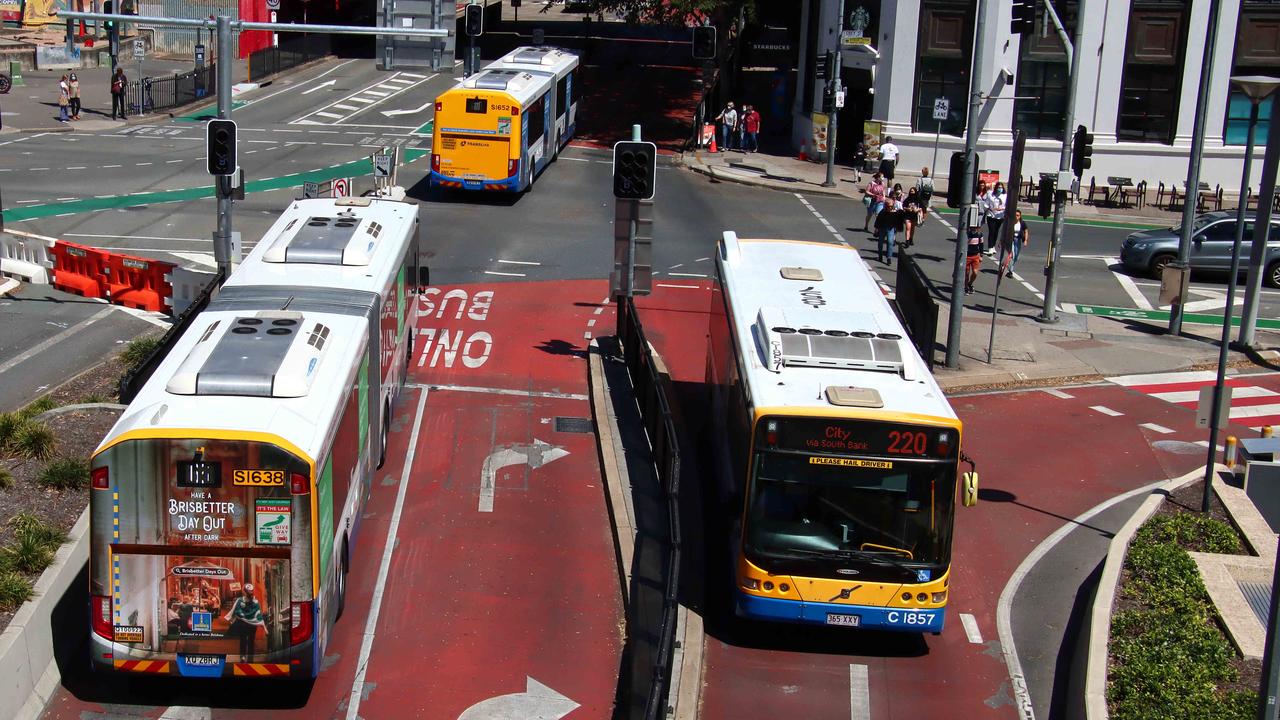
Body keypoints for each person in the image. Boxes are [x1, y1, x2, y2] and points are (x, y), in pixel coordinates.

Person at [225, 583, 265, 659]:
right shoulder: (255, 601)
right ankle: (250, 658)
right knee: (251, 641)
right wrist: (261, 623)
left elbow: (235, 610)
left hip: (243, 625)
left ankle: (242, 657)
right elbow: (258, 613)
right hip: (252, 625)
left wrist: (233, 619)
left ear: (244, 591)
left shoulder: (240, 600)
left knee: (243, 640)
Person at [1003, 209, 1030, 277]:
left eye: (1018, 215)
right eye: (1015, 215)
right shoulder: (1011, 222)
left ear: (1020, 216)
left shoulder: (1022, 223)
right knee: (1012, 255)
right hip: (1011, 240)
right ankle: (1010, 271)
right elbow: (1005, 231)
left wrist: (1026, 240)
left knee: (1016, 257)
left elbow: (1026, 231)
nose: (1016, 217)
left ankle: (1005, 264)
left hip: (1018, 240)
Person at [876, 195, 900, 265]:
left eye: (891, 206)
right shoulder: (882, 212)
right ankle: (880, 255)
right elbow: (878, 221)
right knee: (880, 242)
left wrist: (896, 228)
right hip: (882, 228)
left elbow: (897, 222)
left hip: (891, 229)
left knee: (890, 242)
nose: (890, 207)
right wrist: (876, 229)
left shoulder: (895, 213)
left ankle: (889, 257)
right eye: (888, 206)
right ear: (886, 206)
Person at [985, 182, 1007, 254]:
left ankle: (993, 245)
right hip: (991, 215)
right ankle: (990, 247)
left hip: (1000, 216)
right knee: (991, 231)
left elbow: (1007, 205)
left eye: (1001, 188)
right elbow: (986, 205)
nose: (999, 189)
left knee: (996, 231)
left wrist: (1002, 209)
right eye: (998, 187)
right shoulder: (990, 195)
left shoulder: (1005, 196)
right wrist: (991, 209)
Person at [965, 222, 984, 295]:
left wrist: (981, 255)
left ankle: (970, 283)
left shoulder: (980, 235)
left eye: (976, 227)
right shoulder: (967, 234)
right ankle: (965, 287)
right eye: (973, 227)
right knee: (966, 273)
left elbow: (981, 245)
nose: (974, 229)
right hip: (967, 256)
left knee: (975, 272)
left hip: (975, 256)